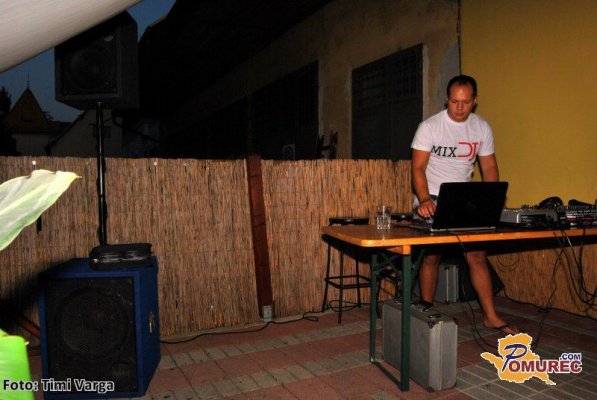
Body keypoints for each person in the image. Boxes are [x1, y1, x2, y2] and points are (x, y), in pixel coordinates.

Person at [410, 74, 519, 335]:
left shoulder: (482, 128)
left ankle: (490, 316)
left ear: (475, 100)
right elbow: (417, 167)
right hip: (432, 196)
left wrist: (491, 200)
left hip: (464, 198)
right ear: (446, 99)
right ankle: (427, 311)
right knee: (432, 255)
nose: (459, 108)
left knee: (477, 255)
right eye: (454, 102)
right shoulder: (430, 127)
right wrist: (424, 199)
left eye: (466, 102)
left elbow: (489, 166)